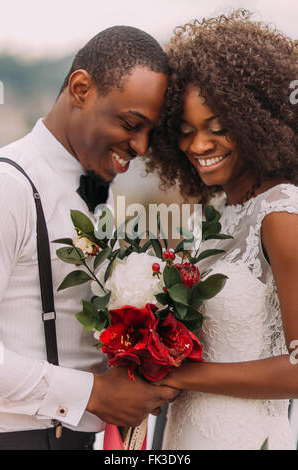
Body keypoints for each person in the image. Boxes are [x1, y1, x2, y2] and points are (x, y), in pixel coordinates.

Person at [0, 25, 178, 450]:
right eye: (132, 124)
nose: (140, 146)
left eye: (150, 132)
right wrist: (94, 394)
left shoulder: (100, 194)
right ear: (81, 88)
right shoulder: (9, 185)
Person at [147, 9, 298, 450]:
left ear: (259, 123)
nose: (198, 146)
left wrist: (178, 374)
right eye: (186, 130)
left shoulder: (281, 217)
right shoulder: (216, 215)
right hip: (183, 435)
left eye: (218, 128)